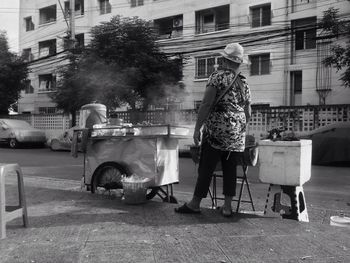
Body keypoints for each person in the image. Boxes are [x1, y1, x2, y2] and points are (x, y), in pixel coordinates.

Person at [175, 43, 252, 217]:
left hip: (216, 131)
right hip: (237, 133)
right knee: (230, 168)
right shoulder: (243, 83)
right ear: (239, 63)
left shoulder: (217, 77)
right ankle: (227, 207)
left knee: (207, 167)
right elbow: (248, 112)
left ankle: (195, 204)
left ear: (224, 60)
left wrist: (197, 129)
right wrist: (237, 129)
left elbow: (207, 104)